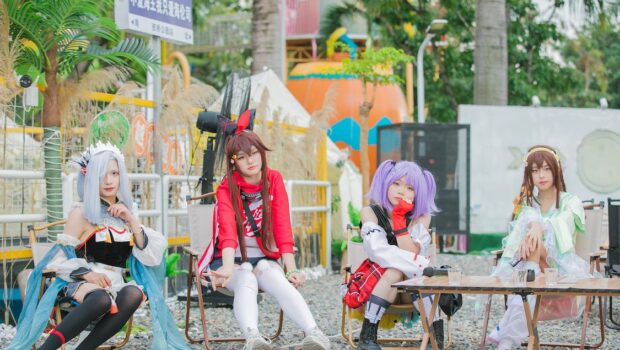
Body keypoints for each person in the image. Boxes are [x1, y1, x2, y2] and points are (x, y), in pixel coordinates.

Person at [8, 142, 188, 350]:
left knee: (134, 294)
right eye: (101, 174)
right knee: (101, 299)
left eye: (114, 173)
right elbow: (59, 258)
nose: (109, 180)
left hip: (114, 282)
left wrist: (132, 220)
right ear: (90, 177)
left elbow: (151, 257)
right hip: (78, 281)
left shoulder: (127, 213)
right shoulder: (81, 213)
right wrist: (87, 274)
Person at [197, 126, 330, 350]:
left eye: (254, 153)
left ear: (262, 153)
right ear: (233, 162)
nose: (250, 160)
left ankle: (314, 334)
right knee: (246, 278)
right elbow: (228, 232)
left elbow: (282, 227)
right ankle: (253, 338)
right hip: (230, 260)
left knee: (275, 277)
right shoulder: (226, 188)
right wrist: (228, 267)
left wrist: (292, 269)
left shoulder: (274, 179)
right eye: (242, 157)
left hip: (263, 257)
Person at [488, 145, 592, 350]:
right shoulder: (529, 206)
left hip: (560, 271)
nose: (541, 175)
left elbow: (565, 222)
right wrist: (530, 230)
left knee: (533, 244)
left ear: (557, 170)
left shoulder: (571, 202)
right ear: (529, 174)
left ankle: (507, 335)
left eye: (546, 169)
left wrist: (538, 226)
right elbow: (516, 244)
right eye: (535, 170)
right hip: (532, 271)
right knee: (531, 243)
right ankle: (508, 336)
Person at [357, 160, 443, 350]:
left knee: (412, 271)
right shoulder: (370, 212)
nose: (401, 191)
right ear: (386, 183)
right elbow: (377, 251)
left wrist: (399, 220)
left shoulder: (421, 216)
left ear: (418, 193)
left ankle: (435, 337)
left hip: (409, 291)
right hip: (377, 284)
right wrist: (419, 264)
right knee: (400, 270)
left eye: (410, 187)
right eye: (396, 183)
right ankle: (367, 336)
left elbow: (411, 251)